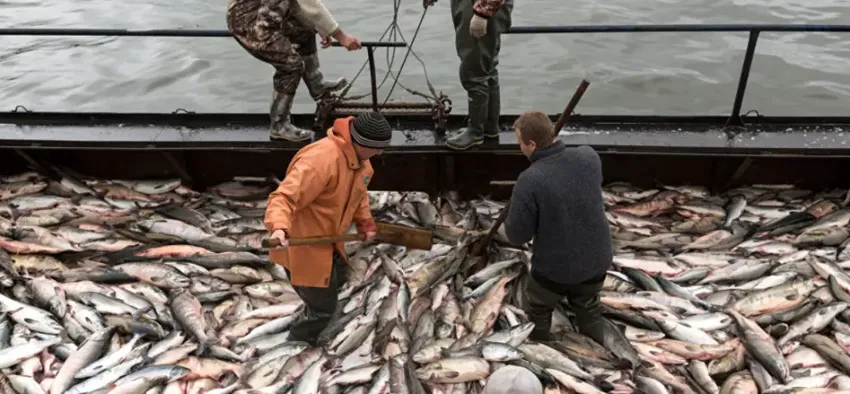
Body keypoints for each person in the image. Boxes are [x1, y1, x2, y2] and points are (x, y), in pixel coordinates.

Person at [263, 111, 392, 346]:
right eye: (377, 148)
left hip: (334, 241)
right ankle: (296, 344)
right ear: (361, 143)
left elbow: (359, 195)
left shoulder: (362, 163)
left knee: (339, 279)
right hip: (306, 248)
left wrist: (365, 222)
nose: (381, 153)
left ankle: (318, 308)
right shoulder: (320, 161)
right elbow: (283, 198)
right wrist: (279, 228)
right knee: (322, 309)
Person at [502, 111, 616, 345]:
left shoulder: (530, 179)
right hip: (598, 261)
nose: (520, 148)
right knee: (588, 306)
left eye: (520, 143)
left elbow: (516, 236)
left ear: (532, 145)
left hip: (555, 272)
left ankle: (541, 346)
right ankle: (601, 343)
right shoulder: (588, 156)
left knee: (539, 310)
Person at [226, 0, 363, 142]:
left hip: (267, 14)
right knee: (291, 65)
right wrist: (341, 37)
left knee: (305, 30)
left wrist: (321, 28)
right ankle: (279, 126)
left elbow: (299, 6)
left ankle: (317, 85)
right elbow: (310, 3)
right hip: (249, 22)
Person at [446, 0, 513, 151]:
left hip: (481, 7)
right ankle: (489, 127)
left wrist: (483, 12)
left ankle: (476, 131)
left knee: (474, 68)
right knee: (486, 66)